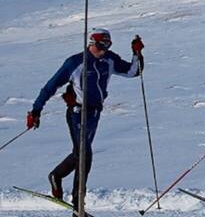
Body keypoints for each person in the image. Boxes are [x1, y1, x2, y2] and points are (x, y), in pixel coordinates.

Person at [26, 28, 145, 209]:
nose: (104, 49)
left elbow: (133, 72)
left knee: (80, 153)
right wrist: (36, 110)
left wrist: (137, 53)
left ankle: (56, 176)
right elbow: (50, 87)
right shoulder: (75, 63)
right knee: (85, 156)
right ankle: (78, 205)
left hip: (95, 114)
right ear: (92, 43)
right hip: (77, 113)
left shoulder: (109, 59)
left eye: (108, 45)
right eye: (101, 45)